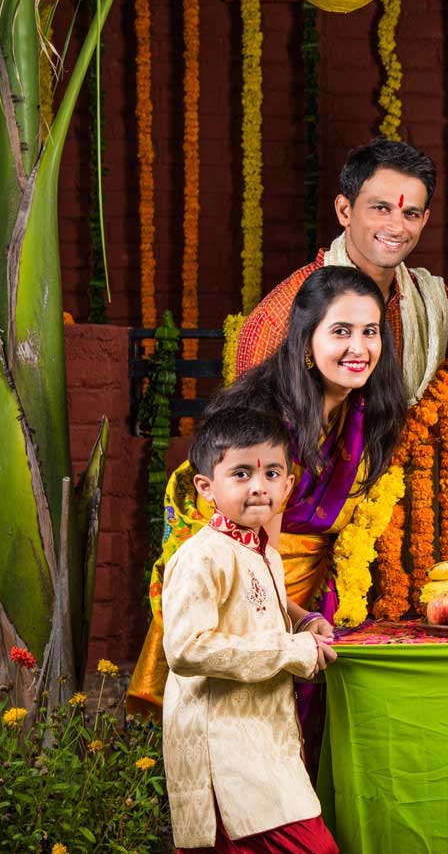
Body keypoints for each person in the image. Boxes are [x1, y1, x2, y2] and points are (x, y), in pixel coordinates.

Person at [129, 267, 404, 760]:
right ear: (307, 341)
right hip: (248, 591)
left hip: (311, 587)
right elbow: (258, 555)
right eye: (341, 331)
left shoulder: (363, 411)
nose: (359, 348)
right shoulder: (271, 424)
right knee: (251, 748)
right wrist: (296, 622)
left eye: (370, 332)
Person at [160, 406, 338, 853]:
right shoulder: (201, 557)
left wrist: (303, 620)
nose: (259, 486)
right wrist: (292, 650)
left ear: (287, 485)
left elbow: (256, 616)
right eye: (241, 474)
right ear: (206, 488)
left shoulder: (264, 553)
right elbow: (185, 649)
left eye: (271, 473)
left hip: (266, 740)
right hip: (224, 746)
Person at [237, 138, 448, 405]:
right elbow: (248, 424)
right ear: (345, 211)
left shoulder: (436, 306)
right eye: (381, 208)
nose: (397, 227)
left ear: (424, 220)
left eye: (410, 214)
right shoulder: (283, 313)